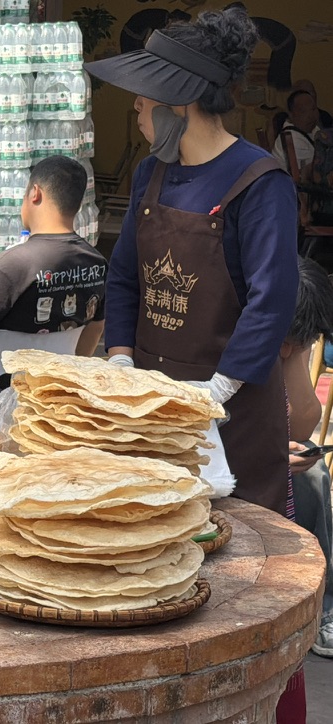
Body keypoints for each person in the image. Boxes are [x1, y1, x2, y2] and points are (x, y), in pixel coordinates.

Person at [86, 6, 300, 517]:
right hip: (153, 411)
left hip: (232, 413)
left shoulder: (259, 182)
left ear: (177, 102)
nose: (136, 106)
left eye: (143, 94)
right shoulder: (150, 174)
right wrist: (120, 358)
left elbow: (272, 301)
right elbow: (123, 278)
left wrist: (217, 391)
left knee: (237, 556)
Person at [0, 155, 107, 410]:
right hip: (54, 387)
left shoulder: (13, 264)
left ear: (35, 193)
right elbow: (95, 330)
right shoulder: (97, 263)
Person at [280, 257, 333, 658]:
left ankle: (321, 603)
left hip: (268, 459)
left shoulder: (291, 346)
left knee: (314, 480)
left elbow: (303, 419)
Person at [272, 89, 322, 175]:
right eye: (303, 111)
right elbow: (318, 171)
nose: (310, 115)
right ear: (291, 115)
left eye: (313, 109)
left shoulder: (313, 129)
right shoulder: (291, 139)